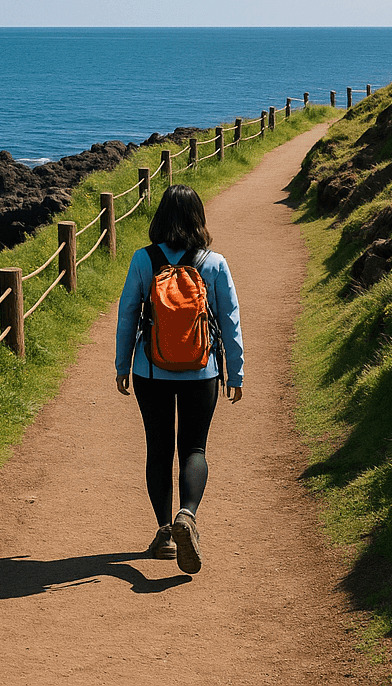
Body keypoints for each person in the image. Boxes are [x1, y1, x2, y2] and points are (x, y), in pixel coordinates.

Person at [114, 184, 244, 575]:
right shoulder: (214, 263)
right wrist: (235, 372)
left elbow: (128, 314)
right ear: (198, 217)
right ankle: (187, 515)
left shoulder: (144, 259)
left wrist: (122, 365)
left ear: (160, 217)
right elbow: (230, 321)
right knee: (194, 449)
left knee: (159, 448)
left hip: (150, 369)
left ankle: (165, 534)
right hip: (202, 370)